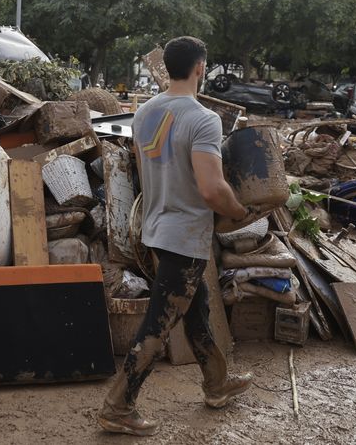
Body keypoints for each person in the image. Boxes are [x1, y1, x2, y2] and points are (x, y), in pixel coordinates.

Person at [98, 36, 269, 437]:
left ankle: (216, 383)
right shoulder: (203, 118)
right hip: (185, 235)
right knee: (157, 326)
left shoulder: (145, 112)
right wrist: (240, 213)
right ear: (200, 69)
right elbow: (212, 188)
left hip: (157, 229)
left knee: (196, 309)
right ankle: (118, 406)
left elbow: (144, 168)